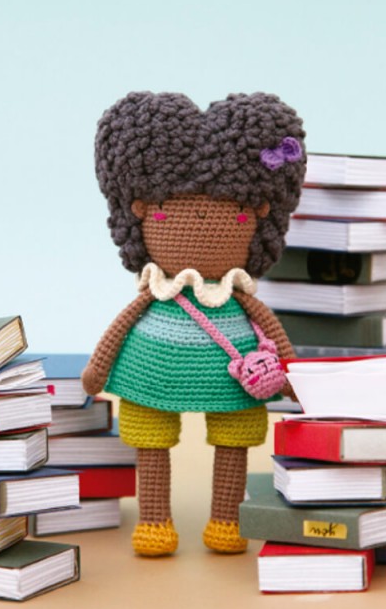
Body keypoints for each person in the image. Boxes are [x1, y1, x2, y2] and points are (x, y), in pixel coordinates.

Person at [82, 91, 307, 556]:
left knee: (233, 441)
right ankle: (154, 521)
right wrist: (99, 369)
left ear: (258, 219)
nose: (203, 217)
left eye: (232, 214)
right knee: (150, 439)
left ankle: (226, 520)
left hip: (233, 378)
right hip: (151, 374)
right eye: (173, 210)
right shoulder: (155, 295)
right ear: (140, 214)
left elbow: (273, 334)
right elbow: (121, 327)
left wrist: (292, 375)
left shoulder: (239, 298)